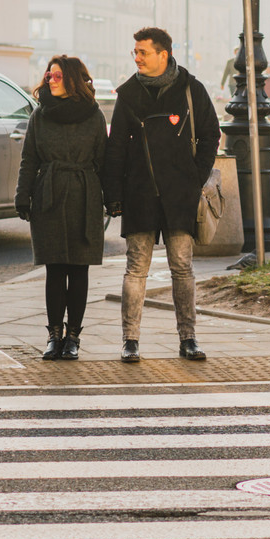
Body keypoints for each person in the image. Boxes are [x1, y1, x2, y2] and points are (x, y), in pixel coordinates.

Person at [103, 27, 221, 364]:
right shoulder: (128, 95)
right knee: (135, 267)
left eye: (142, 52)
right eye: (134, 52)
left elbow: (211, 134)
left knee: (182, 267)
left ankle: (189, 338)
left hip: (179, 195)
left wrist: (194, 178)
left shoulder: (190, 90)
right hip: (140, 192)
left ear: (163, 55)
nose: (136, 57)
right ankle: (130, 340)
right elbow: (115, 150)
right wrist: (113, 193)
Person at [15, 55, 107, 362]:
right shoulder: (40, 115)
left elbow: (103, 160)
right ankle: (54, 335)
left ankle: (73, 337)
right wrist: (23, 195)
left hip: (84, 193)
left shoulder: (94, 115)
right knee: (54, 268)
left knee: (79, 269)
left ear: (72, 79)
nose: (50, 80)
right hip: (49, 194)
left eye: (57, 76)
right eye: (49, 76)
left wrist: (112, 199)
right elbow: (30, 159)